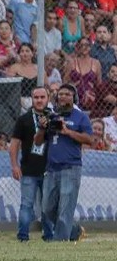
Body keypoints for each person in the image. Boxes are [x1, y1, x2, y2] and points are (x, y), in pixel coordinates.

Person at [40, 84, 91, 242]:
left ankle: (59, 242)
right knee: (47, 208)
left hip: (71, 167)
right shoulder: (52, 116)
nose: (63, 96)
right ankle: (74, 230)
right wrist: (42, 128)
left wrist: (68, 132)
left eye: (67, 94)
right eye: (60, 94)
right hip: (51, 168)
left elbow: (89, 139)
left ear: (73, 97)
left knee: (65, 209)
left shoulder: (80, 116)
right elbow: (38, 141)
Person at [9, 86, 50, 242]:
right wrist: (14, 165)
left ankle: (49, 235)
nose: (39, 100)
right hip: (28, 170)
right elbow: (14, 145)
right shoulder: (24, 119)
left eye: (42, 97)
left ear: (48, 99)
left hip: (48, 170)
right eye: (36, 97)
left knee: (48, 206)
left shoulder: (53, 119)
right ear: (32, 99)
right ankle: (23, 236)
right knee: (27, 205)